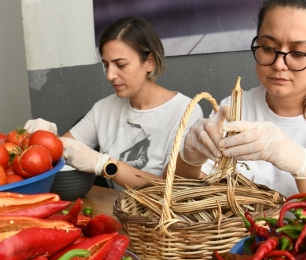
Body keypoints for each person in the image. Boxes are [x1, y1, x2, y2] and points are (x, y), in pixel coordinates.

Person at [176, 0, 306, 198]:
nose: (278, 64)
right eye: (268, 48)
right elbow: (183, 195)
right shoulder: (235, 107)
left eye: (298, 53)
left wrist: (303, 165)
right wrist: (189, 159)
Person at [25, 17, 203, 190]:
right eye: (106, 65)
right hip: (113, 209)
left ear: (149, 62)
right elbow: (59, 151)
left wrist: (105, 165)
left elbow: (173, 190)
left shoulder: (185, 112)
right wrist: (44, 139)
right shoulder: (104, 108)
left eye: (120, 65)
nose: (110, 75)